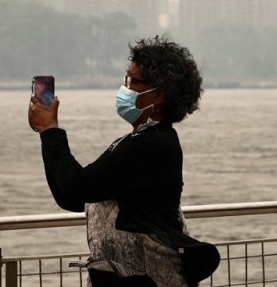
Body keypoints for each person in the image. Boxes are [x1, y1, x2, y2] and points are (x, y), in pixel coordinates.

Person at [28, 36, 209, 286]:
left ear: (158, 95)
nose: (125, 88)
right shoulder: (133, 141)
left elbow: (78, 185)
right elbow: (72, 197)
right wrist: (46, 134)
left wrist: (51, 131)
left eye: (133, 81)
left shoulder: (152, 146)